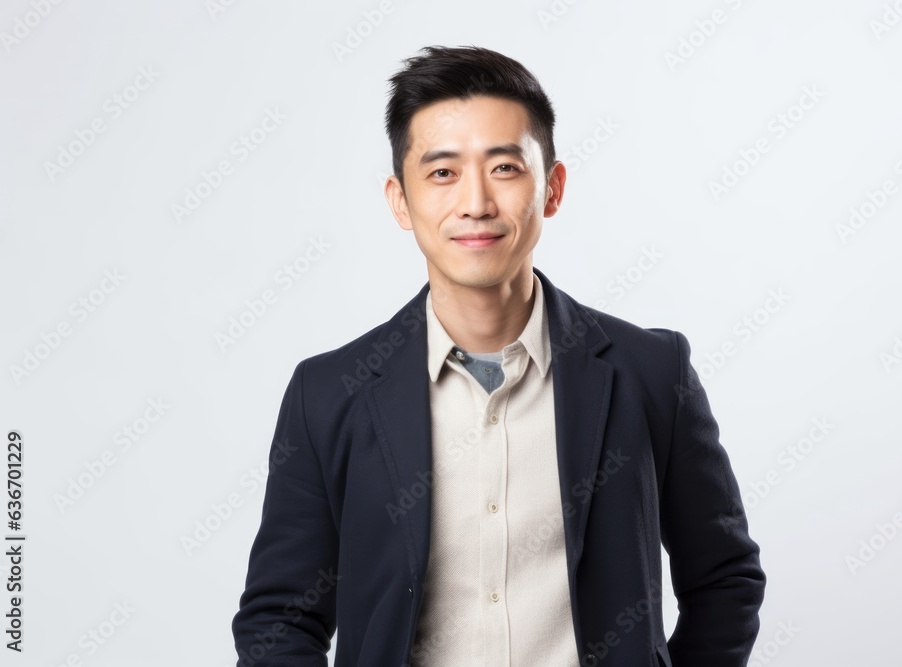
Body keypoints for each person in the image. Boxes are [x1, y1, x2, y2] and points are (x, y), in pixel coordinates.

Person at [232, 44, 765, 667]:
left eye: (505, 168)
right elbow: (280, 618)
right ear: (400, 200)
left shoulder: (649, 372)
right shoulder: (328, 394)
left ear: (552, 188)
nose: (476, 202)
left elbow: (724, 577)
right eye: (442, 173)